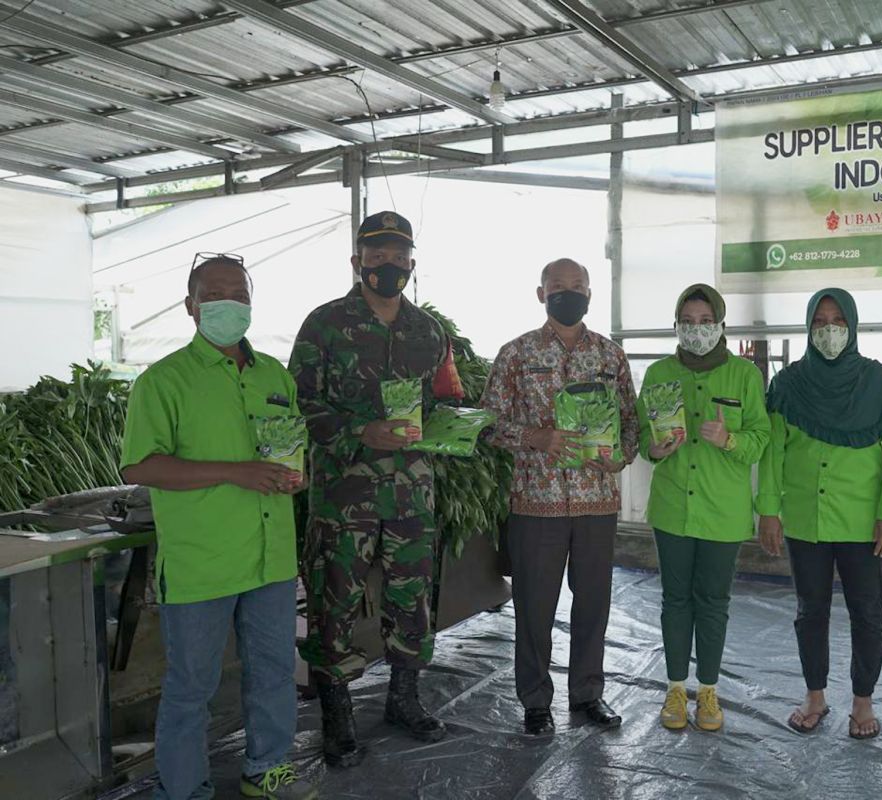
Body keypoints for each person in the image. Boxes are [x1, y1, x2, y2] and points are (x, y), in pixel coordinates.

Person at [121, 254, 317, 800]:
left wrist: (292, 477)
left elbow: (288, 450)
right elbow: (141, 466)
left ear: (251, 305)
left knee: (275, 672)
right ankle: (184, 789)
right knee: (191, 687)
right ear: (191, 306)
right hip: (201, 561)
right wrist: (236, 473)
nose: (229, 304)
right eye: (215, 294)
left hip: (270, 557)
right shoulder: (162, 381)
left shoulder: (274, 375)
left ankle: (267, 770)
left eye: (240, 294)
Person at [290, 211, 463, 767]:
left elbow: (442, 401)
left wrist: (459, 426)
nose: (388, 263)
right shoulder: (324, 325)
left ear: (412, 262)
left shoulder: (429, 332)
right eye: (377, 253)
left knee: (412, 599)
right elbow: (298, 406)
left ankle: (403, 700)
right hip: (345, 496)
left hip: (413, 493)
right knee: (334, 600)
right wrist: (358, 431)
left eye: (398, 254)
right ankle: (337, 717)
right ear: (357, 261)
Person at [480, 258, 637, 736]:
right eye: (557, 287)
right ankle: (535, 700)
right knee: (535, 605)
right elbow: (485, 424)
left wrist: (622, 457)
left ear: (590, 292)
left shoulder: (611, 356)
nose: (567, 293)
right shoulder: (516, 354)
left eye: (577, 286)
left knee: (593, 603)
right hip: (536, 500)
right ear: (541, 294)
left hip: (596, 501)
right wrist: (535, 438)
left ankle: (588, 693)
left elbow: (631, 422)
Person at [757, 288, 882, 740]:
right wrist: (769, 509)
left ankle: (862, 702)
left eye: (838, 321)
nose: (829, 330)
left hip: (864, 523)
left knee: (867, 612)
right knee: (811, 610)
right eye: (820, 322)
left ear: (853, 326)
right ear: (808, 328)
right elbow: (773, 454)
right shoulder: (787, 385)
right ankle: (815, 696)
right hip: (806, 520)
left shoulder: (881, 384)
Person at [635, 284, 768, 731]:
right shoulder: (658, 374)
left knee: (712, 602)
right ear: (677, 325)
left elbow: (760, 440)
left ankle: (708, 692)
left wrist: (729, 439)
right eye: (687, 322)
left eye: (705, 322)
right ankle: (675, 689)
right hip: (673, 508)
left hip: (722, 512)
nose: (696, 330)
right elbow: (641, 439)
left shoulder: (744, 376)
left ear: (721, 325)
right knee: (675, 600)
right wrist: (655, 449)